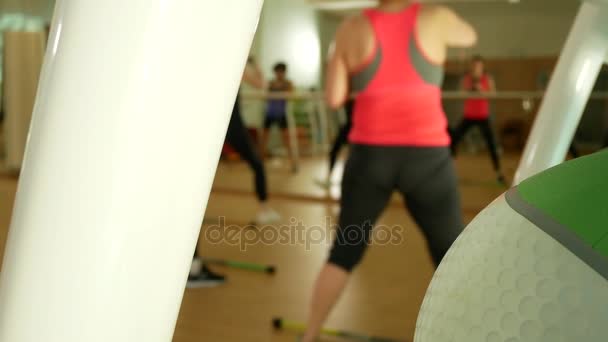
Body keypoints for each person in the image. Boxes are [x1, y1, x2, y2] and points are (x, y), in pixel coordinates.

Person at [301, 1, 476, 340]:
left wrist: (347, 63)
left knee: (344, 252)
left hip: (371, 157)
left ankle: (310, 334)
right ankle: (472, 332)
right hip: (427, 159)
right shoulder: (434, 17)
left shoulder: (351, 28)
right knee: (452, 252)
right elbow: (469, 36)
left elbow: (335, 98)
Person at [187, 57, 280, 288]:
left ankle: (193, 266)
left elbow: (258, 83)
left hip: (222, 123)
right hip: (226, 123)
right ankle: (193, 268)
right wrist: (253, 63)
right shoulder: (230, 60)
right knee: (194, 196)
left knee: (195, 194)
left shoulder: (227, 60)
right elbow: (260, 84)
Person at [450, 55, 505, 184]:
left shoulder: (487, 78)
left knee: (492, 144)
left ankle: (498, 173)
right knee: (453, 140)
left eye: (478, 66)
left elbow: (493, 94)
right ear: (471, 66)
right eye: (474, 65)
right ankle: (450, 171)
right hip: (468, 116)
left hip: (483, 116)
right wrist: (469, 90)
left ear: (482, 67)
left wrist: (481, 90)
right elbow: (461, 94)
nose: (475, 68)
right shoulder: (467, 79)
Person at [260, 62, 296, 171]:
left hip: (281, 114)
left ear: (284, 72)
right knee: (264, 138)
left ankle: (292, 162)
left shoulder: (288, 83)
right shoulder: (270, 83)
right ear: (275, 72)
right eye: (277, 71)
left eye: (281, 71)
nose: (279, 74)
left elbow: (291, 92)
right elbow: (265, 93)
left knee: (287, 139)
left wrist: (282, 87)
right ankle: (259, 162)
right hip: (270, 113)